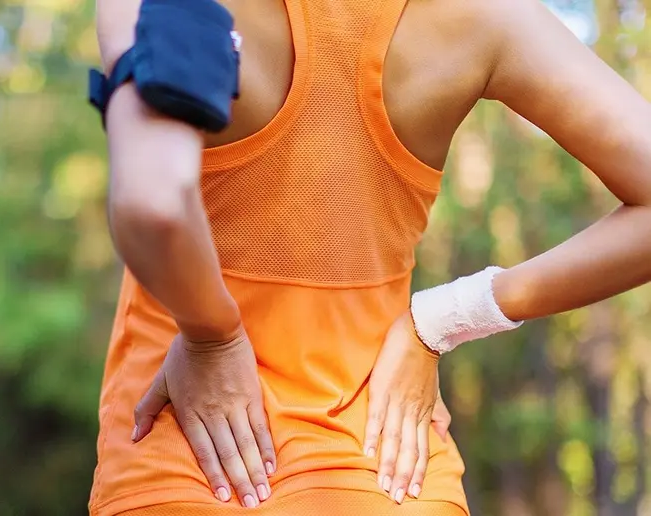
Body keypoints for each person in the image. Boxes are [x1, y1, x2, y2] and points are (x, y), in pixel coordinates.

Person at [86, 0, 651, 513]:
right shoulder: (490, 18)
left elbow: (153, 203)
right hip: (392, 470)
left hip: (193, 462)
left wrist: (212, 336)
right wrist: (442, 318)